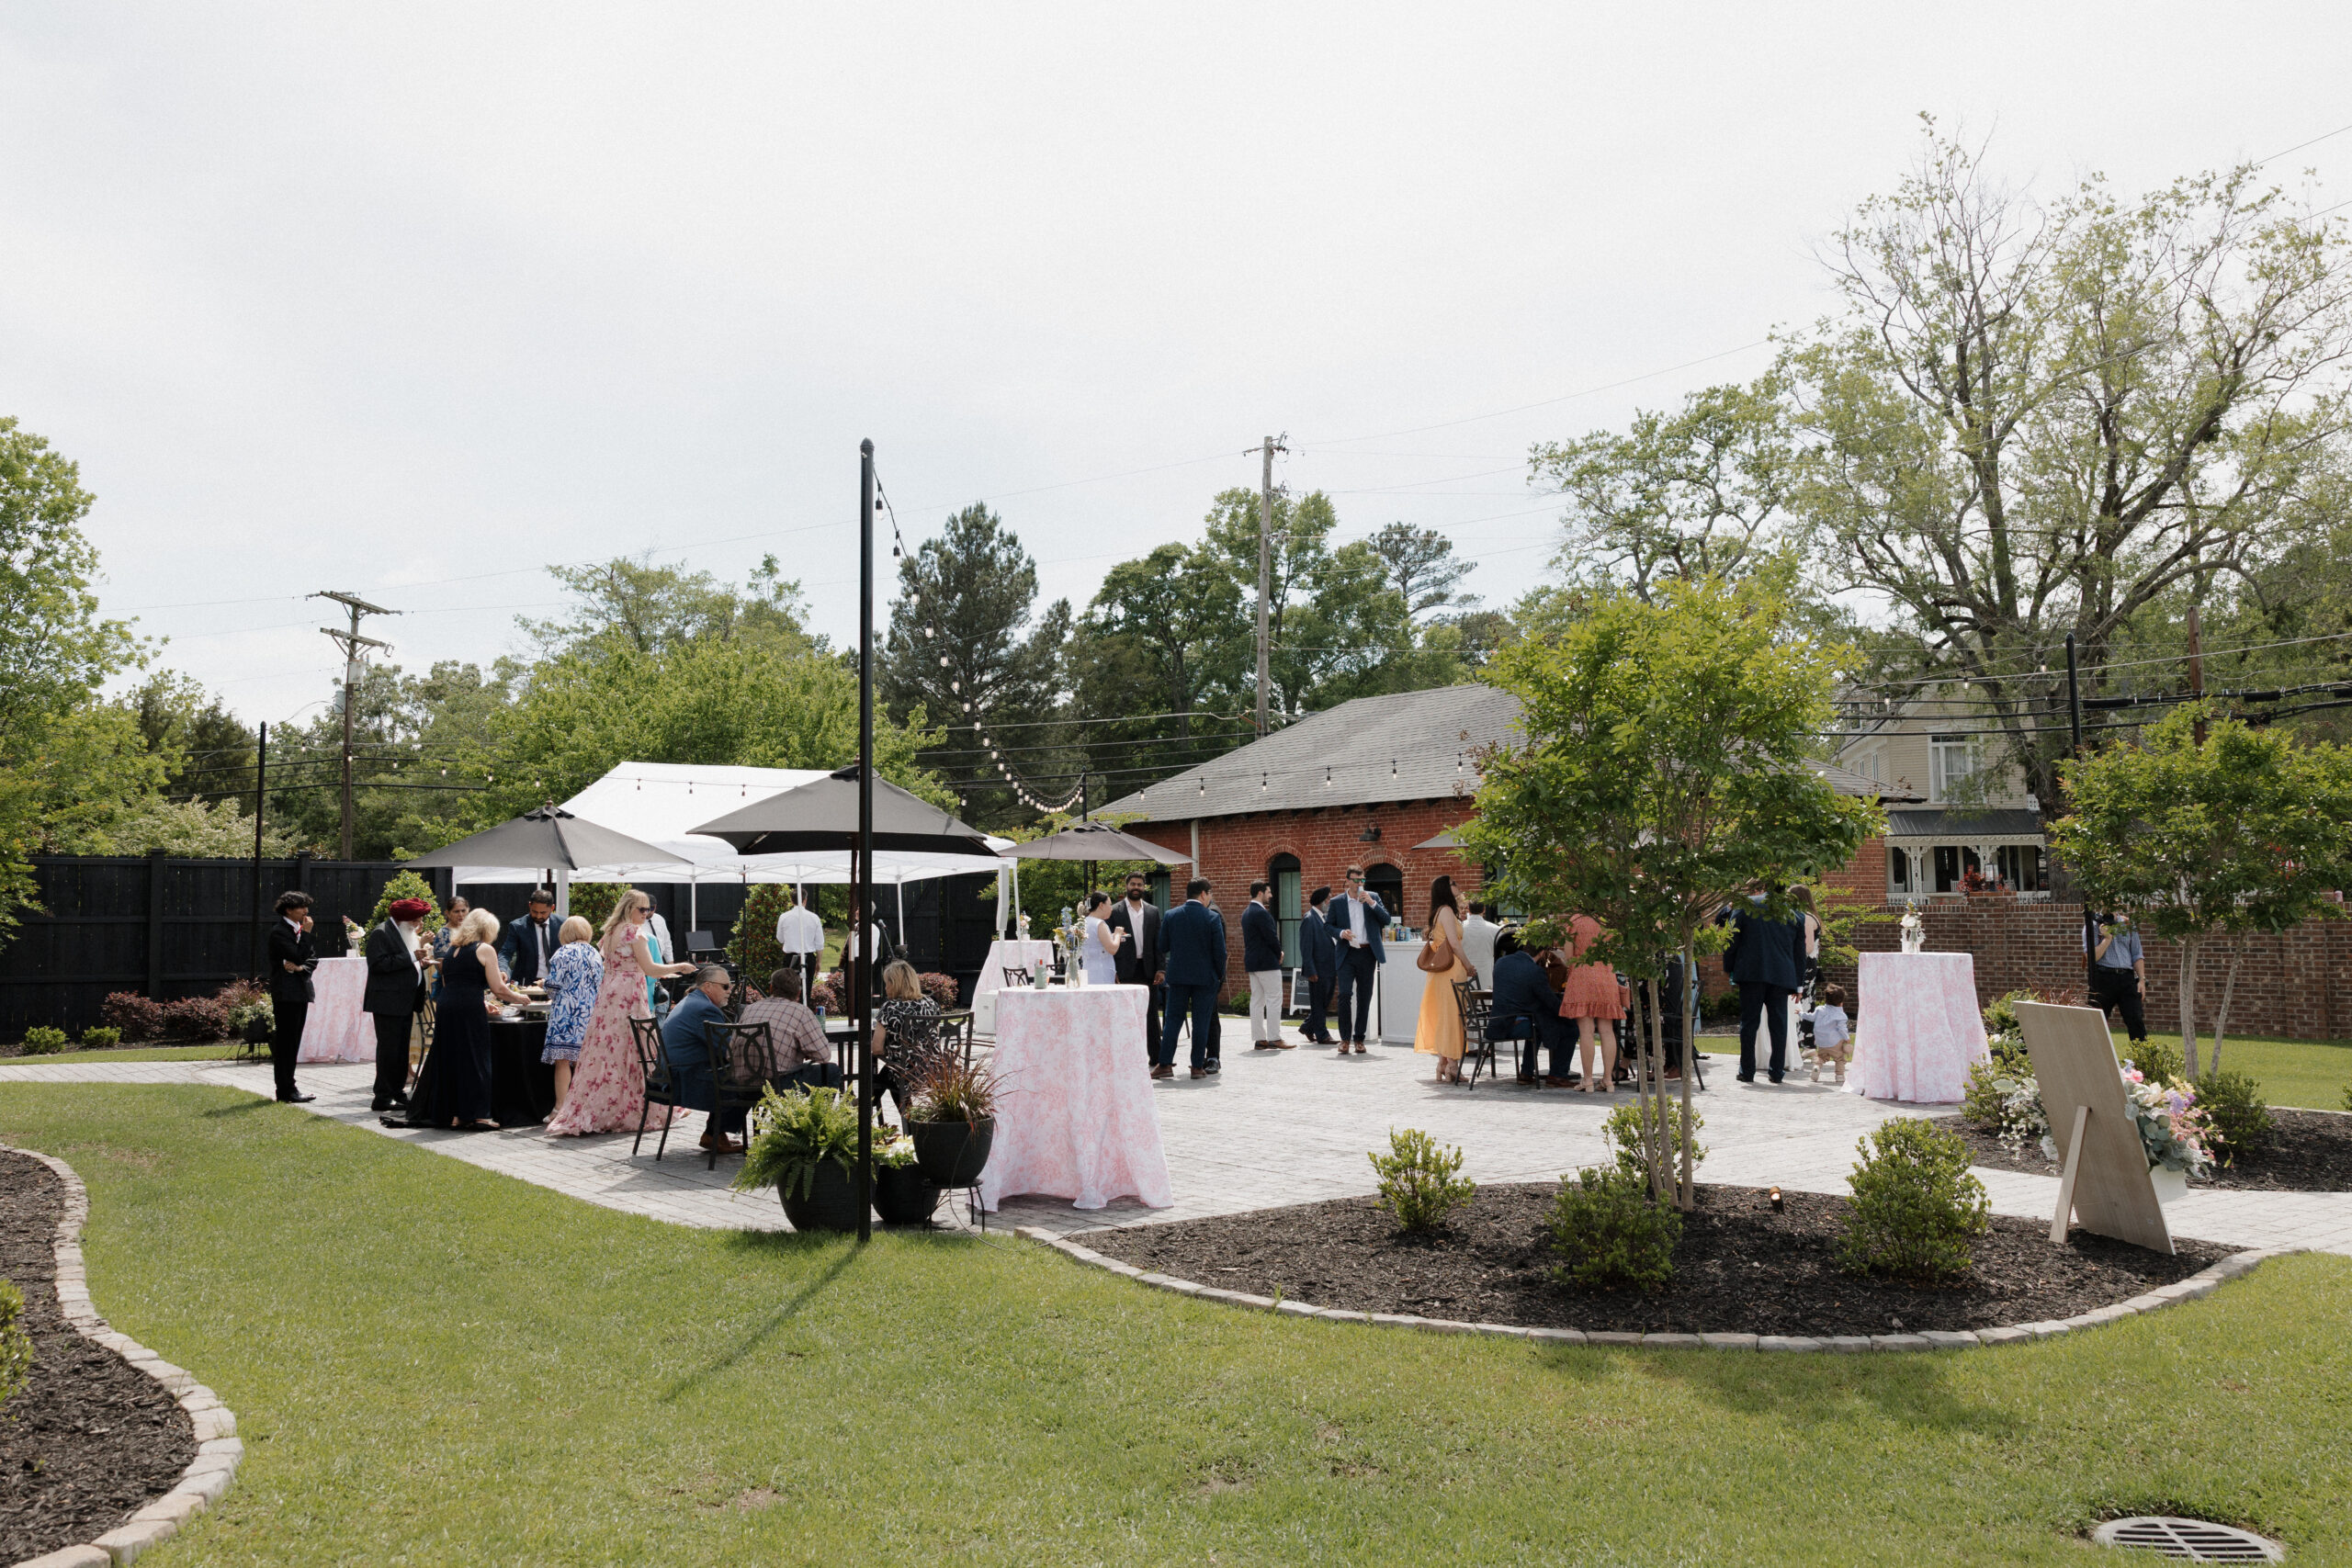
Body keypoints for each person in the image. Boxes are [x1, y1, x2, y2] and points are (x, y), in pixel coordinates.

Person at [546, 889, 696, 1136]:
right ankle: (634, 1106)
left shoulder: (610, 933)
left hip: (609, 996)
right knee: (636, 1048)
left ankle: (605, 1107)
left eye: (648, 909)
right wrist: (679, 966)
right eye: (642, 909)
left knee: (606, 1050)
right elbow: (650, 968)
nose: (646, 914)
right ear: (629, 909)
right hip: (629, 994)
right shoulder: (634, 932)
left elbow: (615, 964)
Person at [412, 908, 530, 1130]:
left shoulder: (452, 950)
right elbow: (498, 988)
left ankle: (456, 1113)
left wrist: (480, 999)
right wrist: (520, 998)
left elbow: (448, 982)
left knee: (453, 1059)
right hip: (468, 1008)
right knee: (476, 1060)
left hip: (447, 1005)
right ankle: (479, 1115)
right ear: (487, 929)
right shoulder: (484, 949)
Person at [1723, 886, 1805, 1083]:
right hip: (1781, 975)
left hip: (1751, 973)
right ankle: (1776, 1072)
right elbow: (1799, 953)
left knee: (1749, 1023)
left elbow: (1731, 939)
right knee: (1779, 1024)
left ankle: (1747, 1071)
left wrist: (1729, 968)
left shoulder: (1746, 906)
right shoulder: (1795, 914)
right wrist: (1798, 985)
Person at [662, 964, 745, 1154]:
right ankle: (715, 1134)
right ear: (708, 986)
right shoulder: (704, 1009)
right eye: (725, 986)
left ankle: (715, 1133)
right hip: (684, 1079)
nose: (729, 991)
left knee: (732, 1073)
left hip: (674, 1074)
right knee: (748, 1080)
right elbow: (728, 1049)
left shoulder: (693, 1001)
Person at [361, 897, 430, 1112]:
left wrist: (421, 964)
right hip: (387, 1002)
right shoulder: (381, 933)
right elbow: (378, 964)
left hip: (405, 1000)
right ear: (403, 920)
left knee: (401, 1050)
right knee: (389, 1051)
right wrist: (412, 957)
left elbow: (406, 963)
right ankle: (382, 1097)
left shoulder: (404, 932)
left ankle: (398, 1092)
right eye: (415, 920)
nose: (418, 924)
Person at [1155, 879, 1225, 1079]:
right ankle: (1196, 1066)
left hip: (1178, 976)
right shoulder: (1212, 917)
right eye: (1210, 894)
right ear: (1203, 893)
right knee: (1201, 1022)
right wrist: (1219, 975)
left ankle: (1165, 1064)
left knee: (1172, 1021)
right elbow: (1220, 952)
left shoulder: (1171, 915)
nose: (1210, 898)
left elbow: (1162, 945)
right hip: (1205, 977)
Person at [1489, 930, 1577, 1087]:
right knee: (1571, 1029)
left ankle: (1526, 1072)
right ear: (1542, 953)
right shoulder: (1535, 971)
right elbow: (1549, 1001)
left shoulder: (1501, 962)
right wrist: (1568, 1014)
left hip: (1496, 1023)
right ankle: (1557, 1075)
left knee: (1539, 1023)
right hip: (1516, 1025)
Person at [737, 968, 842, 1090]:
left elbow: (730, 1053)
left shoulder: (750, 1009)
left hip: (742, 1086)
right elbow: (823, 1056)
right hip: (778, 1087)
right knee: (831, 1071)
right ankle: (818, 1104)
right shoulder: (800, 1011)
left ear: (771, 988)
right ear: (798, 993)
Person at [1557, 912, 1628, 1093]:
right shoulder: (1607, 920)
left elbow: (1569, 956)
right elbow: (1614, 953)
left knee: (1586, 1031)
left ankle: (1588, 1080)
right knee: (1607, 1030)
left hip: (1582, 975)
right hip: (1606, 976)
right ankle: (1608, 1080)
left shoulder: (1574, 920)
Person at [1412, 875, 1474, 1084]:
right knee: (1453, 1017)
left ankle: (1443, 1064)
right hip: (1451, 969)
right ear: (1445, 889)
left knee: (1444, 1016)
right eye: (1453, 883)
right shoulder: (1446, 911)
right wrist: (1468, 965)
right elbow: (1454, 944)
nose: (1458, 885)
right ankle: (1452, 1066)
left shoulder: (1439, 911)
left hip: (1441, 971)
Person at [872, 959, 948, 1124]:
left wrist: (893, 1051)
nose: (885, 988)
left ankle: (867, 1103)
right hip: (932, 1071)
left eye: (887, 983)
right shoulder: (931, 1004)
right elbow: (934, 1038)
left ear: (895, 984)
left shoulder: (890, 1007)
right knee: (892, 1073)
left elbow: (876, 1049)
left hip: (905, 1074)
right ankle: (910, 1125)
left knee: (892, 1073)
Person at [538, 915, 602, 1104]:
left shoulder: (563, 952)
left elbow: (553, 986)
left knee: (563, 1061)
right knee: (585, 1061)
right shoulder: (595, 953)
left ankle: (560, 1107)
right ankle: (581, 1106)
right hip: (589, 1013)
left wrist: (544, 984)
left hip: (566, 1015)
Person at [1327, 865, 1388, 1055]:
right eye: (1355, 880)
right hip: (1347, 953)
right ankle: (1345, 1039)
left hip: (1367, 953)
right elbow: (1328, 926)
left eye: (1362, 880)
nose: (1359, 884)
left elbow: (1386, 919)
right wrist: (1340, 933)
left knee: (1364, 996)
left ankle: (1359, 1039)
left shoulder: (1373, 897)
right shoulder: (1337, 902)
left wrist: (1372, 903)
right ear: (1347, 880)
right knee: (1345, 995)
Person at [266, 890, 318, 1104]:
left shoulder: (298, 930)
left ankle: (290, 1087)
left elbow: (311, 959)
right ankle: (286, 1090)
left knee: (294, 1042)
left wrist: (299, 968)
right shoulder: (279, 932)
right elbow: (298, 954)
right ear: (288, 910)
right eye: (301, 907)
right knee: (286, 1043)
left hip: (300, 992)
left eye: (306, 906)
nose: (306, 911)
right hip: (286, 994)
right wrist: (306, 934)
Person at [1103, 872, 1164, 1054]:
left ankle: (1156, 1057)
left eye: (1139, 884)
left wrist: (1161, 969)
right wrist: (1112, 970)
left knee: (1151, 1014)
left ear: (1144, 887)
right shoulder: (1115, 911)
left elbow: (1158, 943)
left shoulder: (1153, 911)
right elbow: (1107, 944)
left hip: (1148, 970)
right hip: (1124, 970)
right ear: (1127, 886)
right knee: (1125, 1014)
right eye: (1133, 884)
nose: (1136, 888)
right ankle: (1127, 1055)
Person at [2086, 911, 2149, 1044]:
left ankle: (2141, 1056)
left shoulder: (2128, 924)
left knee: (2136, 1020)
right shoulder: (2092, 925)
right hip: (2103, 978)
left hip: (2127, 978)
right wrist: (2107, 939)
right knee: (2097, 1022)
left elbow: (2137, 954)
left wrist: (2141, 980)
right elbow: (2092, 958)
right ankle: (2094, 1055)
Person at [1242, 881, 1292, 1049]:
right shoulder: (1261, 913)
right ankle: (1274, 1038)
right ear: (1260, 893)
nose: (1271, 895)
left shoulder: (1246, 913)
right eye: (1268, 892)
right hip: (1267, 963)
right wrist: (1279, 953)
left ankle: (1259, 1039)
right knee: (1274, 999)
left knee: (1257, 1000)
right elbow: (1271, 937)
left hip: (1252, 963)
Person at [498, 889, 562, 987]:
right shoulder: (518, 926)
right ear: (529, 905)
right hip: (525, 983)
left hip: (556, 982)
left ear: (552, 908)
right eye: (534, 912)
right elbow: (506, 952)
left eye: (543, 912)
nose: (538, 916)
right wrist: (502, 969)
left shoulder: (562, 924)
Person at [1298, 886, 1337, 1045]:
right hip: (1318, 970)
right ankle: (1322, 1034)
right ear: (1321, 901)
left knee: (1324, 1002)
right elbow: (1305, 948)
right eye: (1328, 899)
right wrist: (1310, 970)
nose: (1330, 901)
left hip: (1330, 967)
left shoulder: (1324, 918)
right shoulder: (1309, 919)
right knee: (1319, 1003)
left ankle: (1307, 1027)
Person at [1803, 983, 1852, 1085]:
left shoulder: (1819, 1009)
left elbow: (1811, 1017)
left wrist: (1801, 1013)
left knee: (1821, 1057)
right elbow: (1842, 1028)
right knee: (1839, 1059)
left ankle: (1817, 1067)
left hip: (1821, 1042)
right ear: (1841, 1002)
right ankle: (1839, 1076)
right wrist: (1847, 1038)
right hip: (1835, 1043)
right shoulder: (1840, 1014)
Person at [774, 888, 825, 986]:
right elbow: (819, 944)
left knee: (789, 989)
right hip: (808, 958)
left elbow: (780, 939)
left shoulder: (784, 917)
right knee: (807, 989)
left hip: (790, 958)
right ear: (805, 900)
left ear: (791, 900)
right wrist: (819, 962)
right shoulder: (814, 918)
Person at [1080, 891, 1122, 987]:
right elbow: (1112, 949)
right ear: (1101, 905)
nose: (1111, 908)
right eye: (1110, 905)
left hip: (1088, 969)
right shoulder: (1100, 923)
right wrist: (1118, 935)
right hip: (1101, 971)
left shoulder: (1084, 922)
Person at [1461, 900, 1501, 994]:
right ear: (1484, 910)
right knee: (1486, 999)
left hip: (1464, 971)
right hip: (1487, 971)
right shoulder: (1496, 929)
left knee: (1465, 999)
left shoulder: (1459, 928)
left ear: (1468, 910)